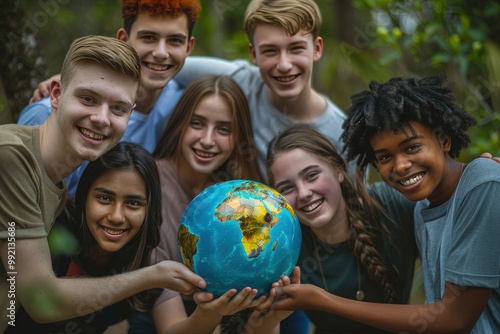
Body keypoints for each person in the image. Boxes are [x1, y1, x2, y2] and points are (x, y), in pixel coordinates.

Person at [0, 35, 206, 334]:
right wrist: (153, 276)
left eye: (118, 108)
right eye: (87, 99)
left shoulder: (53, 183)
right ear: (56, 95)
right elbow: (42, 300)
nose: (101, 119)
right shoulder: (12, 157)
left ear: (130, 114)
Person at [271, 75, 500, 333]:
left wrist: (323, 300)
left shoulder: (482, 182)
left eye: (412, 147)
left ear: (444, 140)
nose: (400, 165)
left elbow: (454, 320)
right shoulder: (423, 207)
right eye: (385, 157)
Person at [8, 142, 259, 333]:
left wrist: (208, 313)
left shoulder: (146, 261)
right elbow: (40, 301)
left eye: (133, 203)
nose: (117, 216)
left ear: (149, 210)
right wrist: (147, 278)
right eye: (104, 198)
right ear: (83, 196)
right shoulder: (54, 227)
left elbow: (174, 328)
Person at [127, 74, 266, 333]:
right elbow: (169, 326)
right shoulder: (147, 186)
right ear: (180, 123)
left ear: (238, 137)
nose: (207, 140)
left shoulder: (242, 192)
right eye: (197, 124)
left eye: (223, 129)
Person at [20, 0, 200, 196]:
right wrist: (74, 77)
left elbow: (235, 73)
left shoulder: (184, 104)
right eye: (148, 37)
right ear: (123, 39)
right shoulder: (48, 114)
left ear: (188, 47)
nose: (160, 53)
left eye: (175, 41)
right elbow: (14, 216)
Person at [257, 123, 416, 333]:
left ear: (339, 170)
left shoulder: (389, 205)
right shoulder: (282, 246)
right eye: (287, 188)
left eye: (311, 175)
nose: (304, 193)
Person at [175, 0, 350, 183]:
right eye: (270, 51)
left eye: (296, 48)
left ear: (316, 48)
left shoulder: (340, 133)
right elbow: (165, 66)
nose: (284, 65)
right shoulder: (239, 81)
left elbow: (351, 205)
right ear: (254, 54)